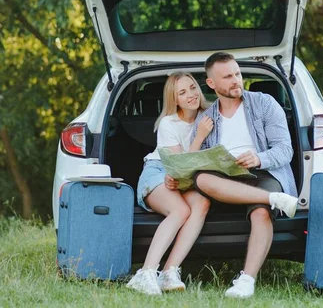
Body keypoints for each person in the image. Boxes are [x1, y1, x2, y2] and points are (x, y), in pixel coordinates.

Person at [165, 52, 299, 299]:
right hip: (223, 179)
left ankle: (246, 280)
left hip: (262, 171)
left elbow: (285, 150)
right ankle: (275, 199)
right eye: (227, 77)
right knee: (203, 179)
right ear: (212, 83)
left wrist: (259, 158)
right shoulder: (206, 118)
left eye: (237, 73)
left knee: (260, 212)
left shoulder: (265, 103)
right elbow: (197, 163)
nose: (236, 80)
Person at [126, 72, 214, 295]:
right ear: (174, 100)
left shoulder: (210, 114)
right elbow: (180, 166)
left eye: (193, 87)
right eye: (182, 92)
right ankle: (145, 273)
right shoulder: (168, 123)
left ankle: (169, 272)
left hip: (189, 178)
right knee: (180, 210)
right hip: (160, 172)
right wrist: (199, 136)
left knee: (202, 204)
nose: (191, 95)